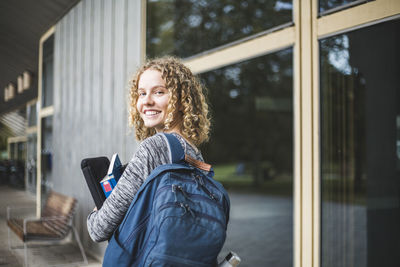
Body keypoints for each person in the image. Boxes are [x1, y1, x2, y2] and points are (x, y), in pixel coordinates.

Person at [87, 56, 211, 242]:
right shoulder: (193, 152)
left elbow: (99, 229)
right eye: (142, 93)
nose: (147, 101)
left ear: (181, 100)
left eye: (159, 92)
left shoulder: (154, 148)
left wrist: (96, 211)